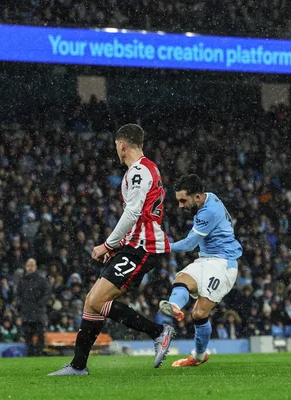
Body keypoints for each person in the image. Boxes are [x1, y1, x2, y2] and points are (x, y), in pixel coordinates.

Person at [49, 123, 175, 376]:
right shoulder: (147, 168)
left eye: (116, 147)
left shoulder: (138, 171)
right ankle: (78, 366)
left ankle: (159, 332)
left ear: (122, 145)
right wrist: (118, 244)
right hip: (134, 243)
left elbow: (133, 212)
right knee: (91, 302)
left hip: (144, 246)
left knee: (97, 300)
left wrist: (108, 243)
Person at [158, 174, 242, 367]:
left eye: (182, 200)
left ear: (197, 197)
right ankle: (175, 306)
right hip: (205, 259)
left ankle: (198, 356)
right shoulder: (208, 197)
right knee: (182, 278)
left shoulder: (209, 211)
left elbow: (189, 244)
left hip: (224, 264)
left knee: (198, 314)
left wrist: (162, 247)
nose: (180, 205)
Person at [17, 258, 50, 356]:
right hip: (27, 312)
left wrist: (40, 303)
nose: (30, 268)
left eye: (32, 265)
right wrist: (21, 306)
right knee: (28, 335)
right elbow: (18, 295)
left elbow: (47, 294)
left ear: (35, 267)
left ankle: (39, 353)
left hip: (38, 312)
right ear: (26, 267)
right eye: (28, 265)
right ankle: (30, 354)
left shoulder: (41, 280)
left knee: (40, 334)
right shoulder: (22, 280)